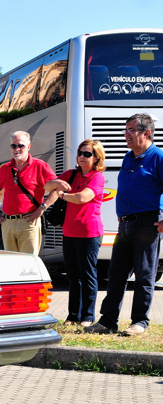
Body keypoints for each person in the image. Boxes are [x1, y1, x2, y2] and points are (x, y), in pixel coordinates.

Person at [85, 113, 163, 336]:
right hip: (126, 225)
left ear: (146, 133)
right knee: (116, 274)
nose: (126, 134)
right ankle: (108, 321)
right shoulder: (129, 157)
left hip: (148, 223)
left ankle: (140, 322)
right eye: (125, 130)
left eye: (131, 130)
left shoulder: (158, 157)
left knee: (144, 275)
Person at [45, 140, 106, 327]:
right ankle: (73, 316)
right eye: (80, 153)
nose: (82, 157)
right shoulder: (71, 174)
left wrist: (62, 194)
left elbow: (82, 198)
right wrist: (55, 182)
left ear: (96, 158)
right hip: (69, 232)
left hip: (89, 233)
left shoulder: (97, 177)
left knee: (87, 274)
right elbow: (47, 187)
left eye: (87, 154)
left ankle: (87, 317)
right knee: (73, 276)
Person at [0, 131, 58, 254]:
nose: (17, 149)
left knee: (28, 264)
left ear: (29, 146)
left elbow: (57, 189)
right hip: (7, 223)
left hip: (29, 222)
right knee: (11, 264)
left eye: (21, 145)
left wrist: (42, 208)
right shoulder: (5, 168)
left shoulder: (40, 166)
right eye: (13, 146)